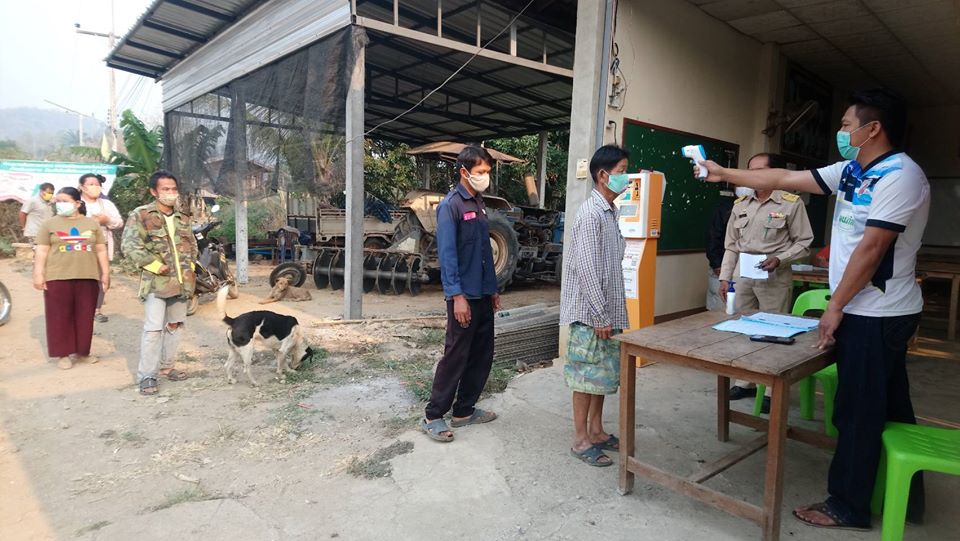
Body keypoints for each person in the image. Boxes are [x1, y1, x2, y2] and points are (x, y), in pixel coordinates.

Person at [696, 88, 928, 530]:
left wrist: (834, 306)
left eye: (846, 125)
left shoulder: (901, 176)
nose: (841, 132)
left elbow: (873, 249)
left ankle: (848, 505)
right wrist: (722, 172)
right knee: (889, 403)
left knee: (857, 410)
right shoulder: (852, 170)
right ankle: (907, 497)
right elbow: (784, 178)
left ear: (872, 129)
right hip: (866, 309)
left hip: (878, 313)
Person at [719, 153, 814, 413]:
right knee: (743, 328)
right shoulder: (741, 204)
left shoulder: (791, 204)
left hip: (774, 274)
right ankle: (745, 381)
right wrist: (725, 277)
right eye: (750, 171)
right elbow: (731, 245)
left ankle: (771, 389)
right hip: (744, 274)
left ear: (774, 172)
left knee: (774, 331)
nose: (754, 176)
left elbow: (804, 242)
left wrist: (780, 259)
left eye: (760, 170)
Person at [420, 146, 500, 442]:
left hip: (483, 293)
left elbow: (485, 252)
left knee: (482, 354)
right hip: (464, 296)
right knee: (456, 356)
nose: (485, 176)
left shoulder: (479, 202)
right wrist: (457, 297)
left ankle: (464, 411)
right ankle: (433, 415)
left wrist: (492, 289)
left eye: (487, 171)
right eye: (481, 171)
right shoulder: (450, 206)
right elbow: (448, 255)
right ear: (464, 171)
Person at [560, 145, 631, 467]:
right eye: (622, 172)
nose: (626, 178)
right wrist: (600, 315)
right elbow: (587, 269)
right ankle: (580, 440)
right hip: (592, 315)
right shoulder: (590, 215)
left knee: (601, 376)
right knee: (585, 378)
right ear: (603, 176)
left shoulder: (610, 212)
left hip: (607, 313)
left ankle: (597, 431)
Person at [121, 170, 198, 396]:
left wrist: (191, 269)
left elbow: (192, 246)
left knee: (175, 325)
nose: (170, 193)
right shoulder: (141, 215)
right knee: (153, 329)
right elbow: (130, 245)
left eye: (173, 189)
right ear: (154, 192)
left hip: (182, 282)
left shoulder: (182, 218)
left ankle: (167, 366)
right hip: (157, 282)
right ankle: (147, 375)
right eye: (165, 189)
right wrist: (154, 265)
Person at [32, 187, 110, 370]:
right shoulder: (49, 224)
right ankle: (63, 354)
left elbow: (101, 250)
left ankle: (83, 352)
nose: (60, 204)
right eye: (58, 201)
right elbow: (42, 250)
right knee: (59, 316)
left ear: (77, 203)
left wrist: (105, 273)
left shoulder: (91, 224)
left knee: (85, 316)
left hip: (87, 275)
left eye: (65, 201)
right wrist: (38, 273)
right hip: (57, 276)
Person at [78, 173, 123, 323]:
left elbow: (119, 222)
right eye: (91, 184)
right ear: (82, 187)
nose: (95, 187)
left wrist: (106, 220)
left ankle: (96, 310)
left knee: (101, 277)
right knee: (80, 278)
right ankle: (80, 308)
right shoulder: (75, 203)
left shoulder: (106, 204)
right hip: (79, 246)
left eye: (97, 185)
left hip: (101, 246)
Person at [705, 190, 735, 311]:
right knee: (719, 304)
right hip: (721, 264)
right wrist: (717, 264)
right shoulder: (725, 208)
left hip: (741, 269)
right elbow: (713, 238)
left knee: (735, 307)